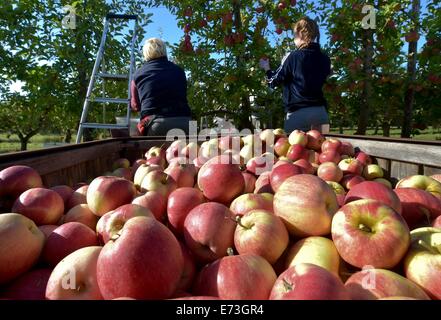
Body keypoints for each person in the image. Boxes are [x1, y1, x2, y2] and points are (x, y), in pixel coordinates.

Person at [259, 17, 331, 134]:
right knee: (322, 150)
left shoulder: (292, 56)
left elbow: (273, 82)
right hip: (320, 113)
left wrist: (266, 68)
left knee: (295, 150)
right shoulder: (325, 59)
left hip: (298, 115)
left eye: (294, 35)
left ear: (299, 34)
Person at [131, 38, 192, 136]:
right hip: (186, 123)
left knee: (140, 142)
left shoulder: (138, 74)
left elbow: (135, 106)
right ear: (164, 50)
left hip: (157, 125)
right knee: (188, 151)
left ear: (146, 53)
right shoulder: (179, 71)